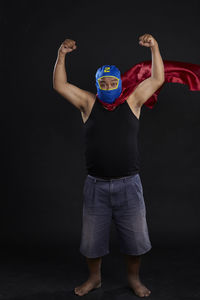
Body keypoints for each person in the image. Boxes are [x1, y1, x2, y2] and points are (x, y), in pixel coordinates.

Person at [53, 34, 165, 298]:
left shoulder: (133, 102)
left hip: (129, 184)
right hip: (96, 185)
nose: (108, 85)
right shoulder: (88, 103)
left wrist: (155, 48)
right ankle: (95, 279)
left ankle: (134, 280)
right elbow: (60, 85)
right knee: (92, 242)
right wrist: (61, 54)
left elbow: (158, 79)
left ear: (119, 83)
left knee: (135, 241)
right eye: (103, 82)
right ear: (96, 84)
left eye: (112, 82)